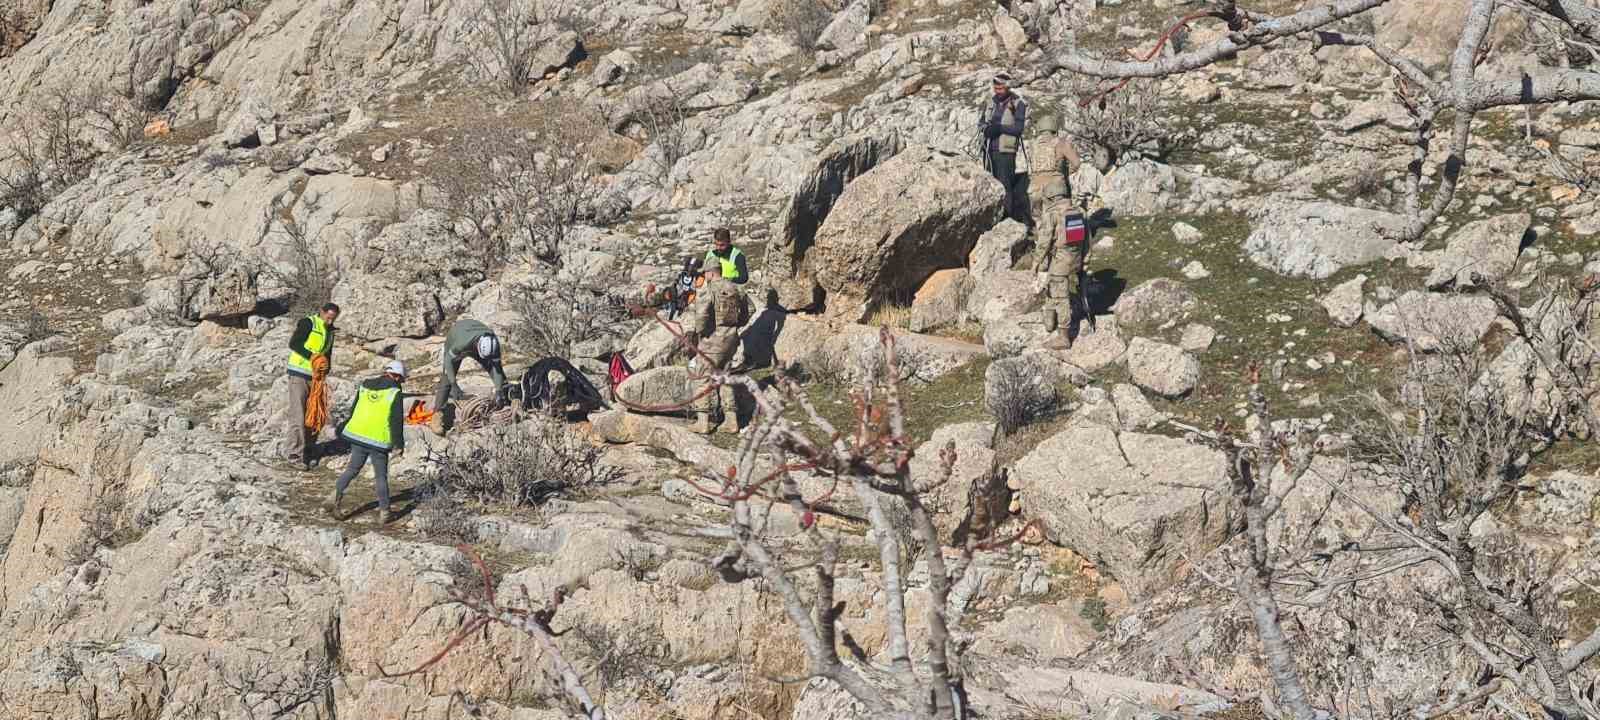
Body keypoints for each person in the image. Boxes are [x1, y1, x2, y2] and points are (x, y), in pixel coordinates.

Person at [329, 360, 407, 524]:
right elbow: (396, 420)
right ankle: (385, 512)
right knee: (380, 476)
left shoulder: (365, 385)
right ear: (397, 376)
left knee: (352, 469)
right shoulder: (394, 392)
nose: (401, 383)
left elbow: (354, 409)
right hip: (378, 441)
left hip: (358, 435)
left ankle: (334, 498)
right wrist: (398, 444)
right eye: (401, 379)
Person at [684, 269, 748, 434]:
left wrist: (701, 332)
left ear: (710, 273)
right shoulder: (736, 287)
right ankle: (731, 420)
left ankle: (703, 423)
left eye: (705, 274)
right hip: (731, 339)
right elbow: (750, 309)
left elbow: (702, 315)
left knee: (701, 377)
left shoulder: (709, 289)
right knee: (725, 377)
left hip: (712, 342)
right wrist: (736, 325)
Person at [284, 303, 340, 470]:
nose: (330, 321)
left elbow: (327, 354)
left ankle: (308, 452)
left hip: (316, 378)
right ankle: (294, 454)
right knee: (299, 416)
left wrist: (325, 369)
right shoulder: (308, 323)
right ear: (321, 312)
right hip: (299, 375)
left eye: (333, 319)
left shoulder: (330, 331)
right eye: (328, 317)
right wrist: (313, 357)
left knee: (315, 415)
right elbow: (294, 344)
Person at [1040, 177, 1087, 350]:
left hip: (1060, 261)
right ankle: (1049, 320)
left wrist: (1036, 263)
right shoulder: (1078, 211)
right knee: (1053, 288)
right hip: (1075, 259)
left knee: (1061, 297)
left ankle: (1063, 337)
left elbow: (1044, 243)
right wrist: (1086, 260)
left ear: (1051, 197)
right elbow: (1086, 239)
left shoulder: (1052, 214)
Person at [978, 72, 1027, 221]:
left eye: (1000, 88)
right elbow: (981, 123)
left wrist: (999, 128)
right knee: (990, 186)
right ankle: (990, 220)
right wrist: (985, 129)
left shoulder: (1018, 104)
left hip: (1005, 153)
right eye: (996, 88)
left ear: (1007, 87)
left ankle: (1007, 220)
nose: (997, 91)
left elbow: (1018, 129)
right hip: (988, 151)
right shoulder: (990, 102)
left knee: (1005, 186)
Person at [432, 318, 508, 412]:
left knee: (497, 373)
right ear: (478, 346)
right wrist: (454, 384)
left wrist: (499, 389)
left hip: (474, 338)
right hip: (457, 334)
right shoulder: (461, 343)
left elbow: (497, 369)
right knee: (447, 378)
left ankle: (505, 398)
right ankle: (438, 411)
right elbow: (448, 360)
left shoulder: (493, 345)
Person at [1026, 115, 1082, 224]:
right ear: (1054, 129)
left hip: (1034, 189)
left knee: (1040, 222)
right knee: (1061, 221)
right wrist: (1063, 173)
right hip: (1055, 188)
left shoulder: (1032, 145)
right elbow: (1076, 163)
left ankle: (1042, 239)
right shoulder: (1061, 143)